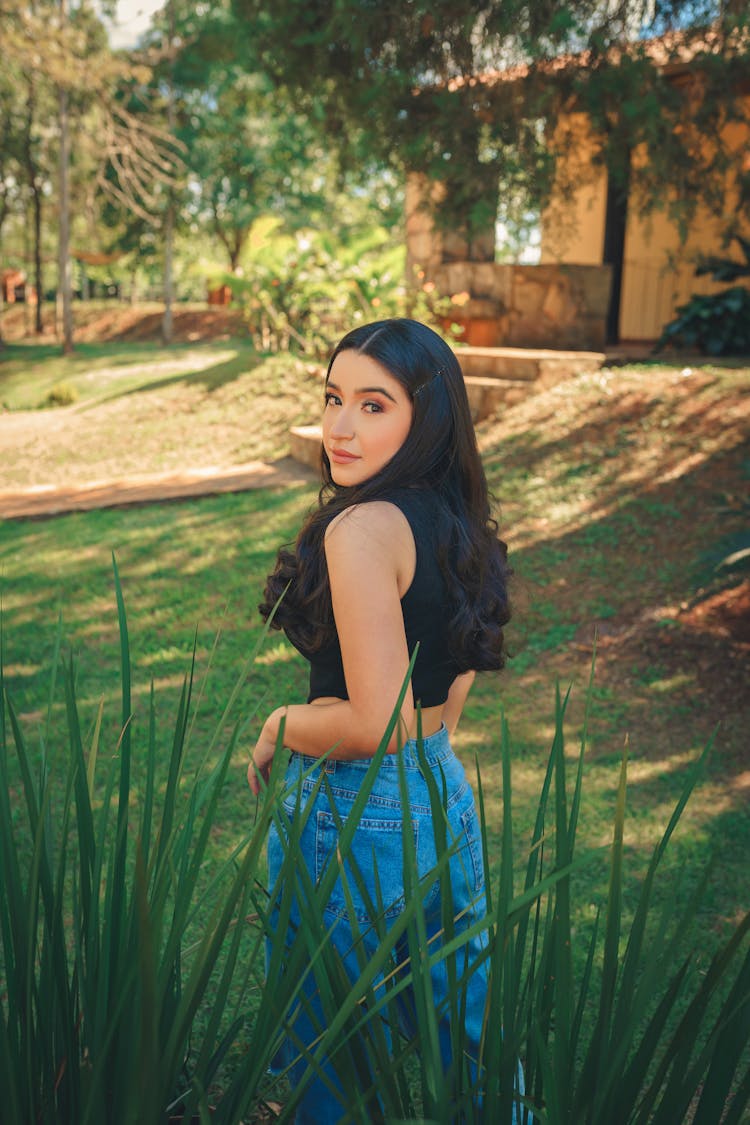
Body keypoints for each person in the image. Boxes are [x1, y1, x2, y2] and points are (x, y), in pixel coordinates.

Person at [249, 317, 515, 1123]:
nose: (338, 426)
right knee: (467, 1053)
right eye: (334, 398)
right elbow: (447, 694)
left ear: (424, 416)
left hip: (351, 810)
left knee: (322, 1062)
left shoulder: (363, 527)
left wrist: (277, 725)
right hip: (441, 793)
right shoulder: (458, 524)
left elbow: (375, 721)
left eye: (373, 405)